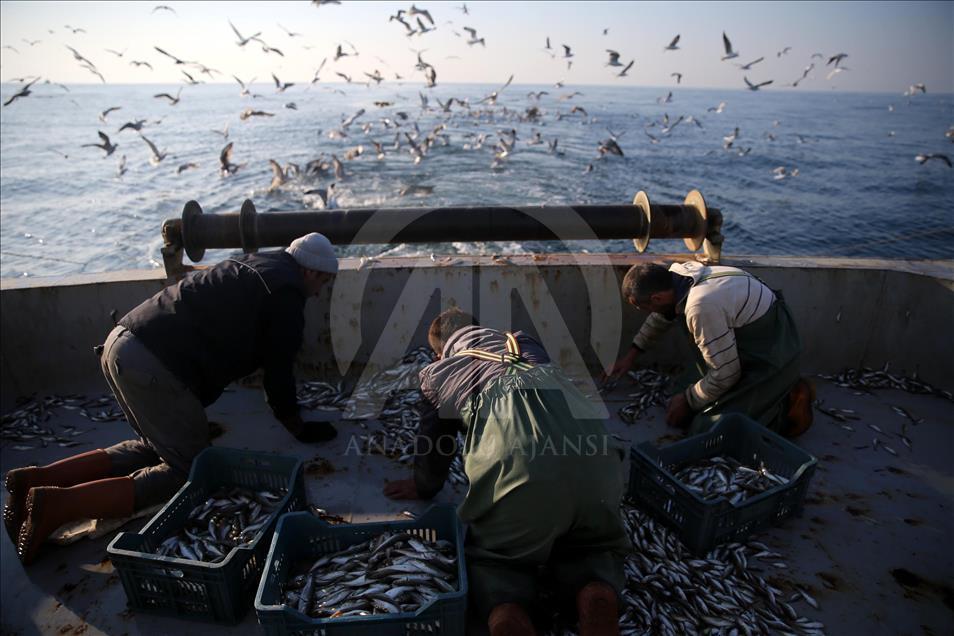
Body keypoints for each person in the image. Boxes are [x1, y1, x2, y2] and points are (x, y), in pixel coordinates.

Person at [4, 233, 339, 564]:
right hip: (155, 365)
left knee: (154, 444)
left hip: (121, 342)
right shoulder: (286, 293)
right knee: (188, 470)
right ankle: (58, 506)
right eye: (322, 281)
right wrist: (297, 427)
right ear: (310, 271)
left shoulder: (257, 262)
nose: (319, 290)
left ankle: (38, 479)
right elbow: (278, 372)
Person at [384, 309, 629, 636]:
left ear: (439, 353)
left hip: (524, 476)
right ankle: (594, 589)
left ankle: (507, 609)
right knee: (591, 544)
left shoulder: (438, 372)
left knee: (497, 560)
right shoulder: (523, 341)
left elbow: (435, 443)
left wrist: (423, 485)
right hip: (599, 460)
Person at [605, 261, 814, 437]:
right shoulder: (679, 276)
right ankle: (773, 390)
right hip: (744, 345)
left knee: (707, 428)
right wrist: (631, 355)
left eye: (644, 308)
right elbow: (661, 317)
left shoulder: (700, 306)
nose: (647, 313)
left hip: (772, 355)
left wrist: (688, 400)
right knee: (679, 391)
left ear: (656, 299)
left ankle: (791, 400)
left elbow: (726, 375)